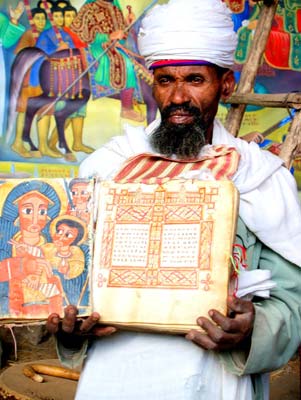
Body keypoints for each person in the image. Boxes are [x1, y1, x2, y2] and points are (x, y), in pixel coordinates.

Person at [47, 1, 301, 399]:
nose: (178, 97)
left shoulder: (258, 176)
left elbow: (293, 301)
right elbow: (71, 288)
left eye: (195, 80)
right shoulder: (107, 167)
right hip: (112, 380)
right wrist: (71, 324)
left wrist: (254, 329)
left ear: (226, 84)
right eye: (166, 81)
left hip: (213, 380)